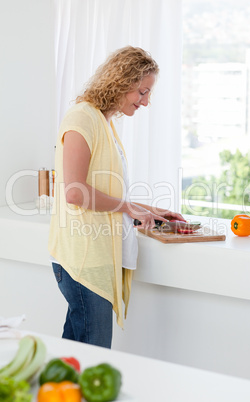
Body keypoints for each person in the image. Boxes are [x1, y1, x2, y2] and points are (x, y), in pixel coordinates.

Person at [48, 46, 185, 348]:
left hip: (92, 257)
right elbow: (74, 191)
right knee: (93, 354)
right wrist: (129, 208)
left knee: (74, 353)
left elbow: (109, 195)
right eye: (142, 92)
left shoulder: (104, 122)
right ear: (122, 82)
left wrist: (155, 211)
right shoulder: (81, 118)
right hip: (81, 259)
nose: (146, 102)